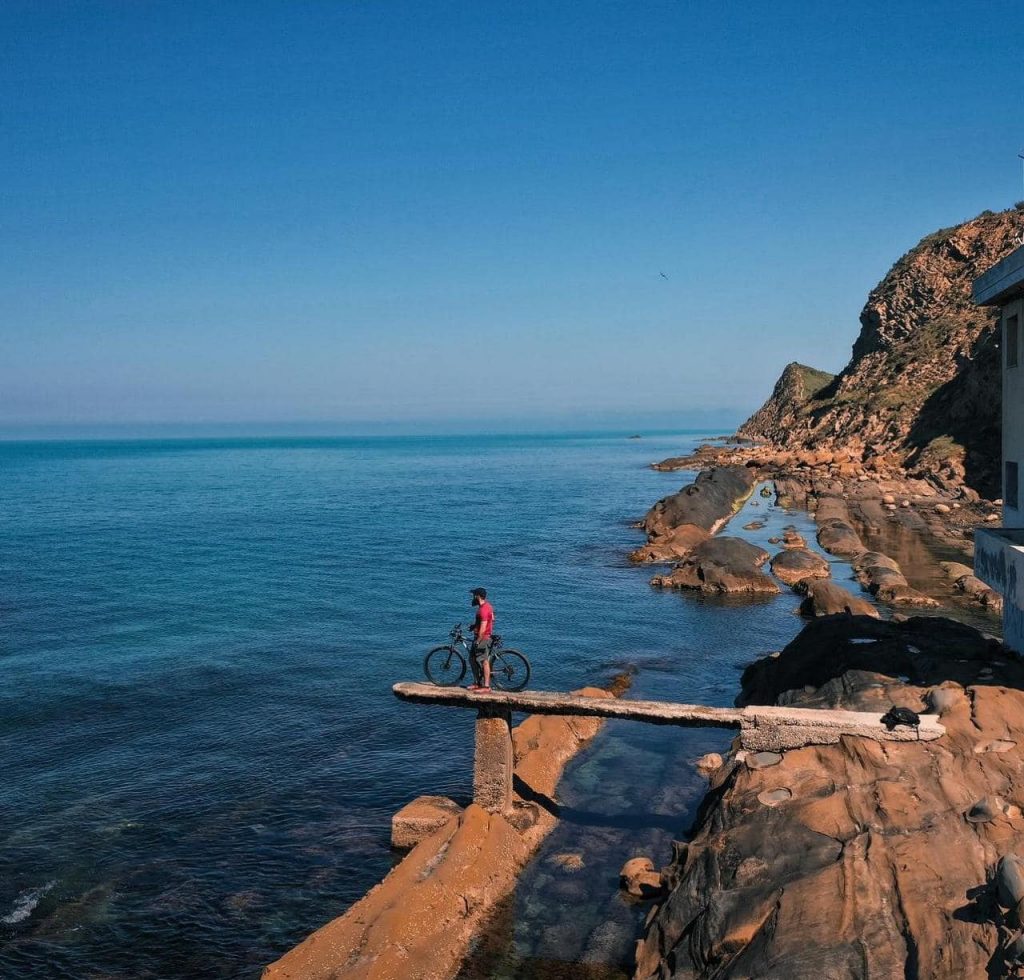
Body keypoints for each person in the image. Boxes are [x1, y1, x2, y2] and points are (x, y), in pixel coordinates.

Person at [467, 587, 495, 691]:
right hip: (481, 636)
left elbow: (483, 628)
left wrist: (478, 641)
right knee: (472, 659)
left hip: (483, 638)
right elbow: (492, 618)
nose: (472, 597)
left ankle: (486, 687)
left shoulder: (483, 610)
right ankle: (477, 683)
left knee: (484, 661)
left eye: (474, 595)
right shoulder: (487, 606)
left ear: (477, 596)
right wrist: (474, 626)